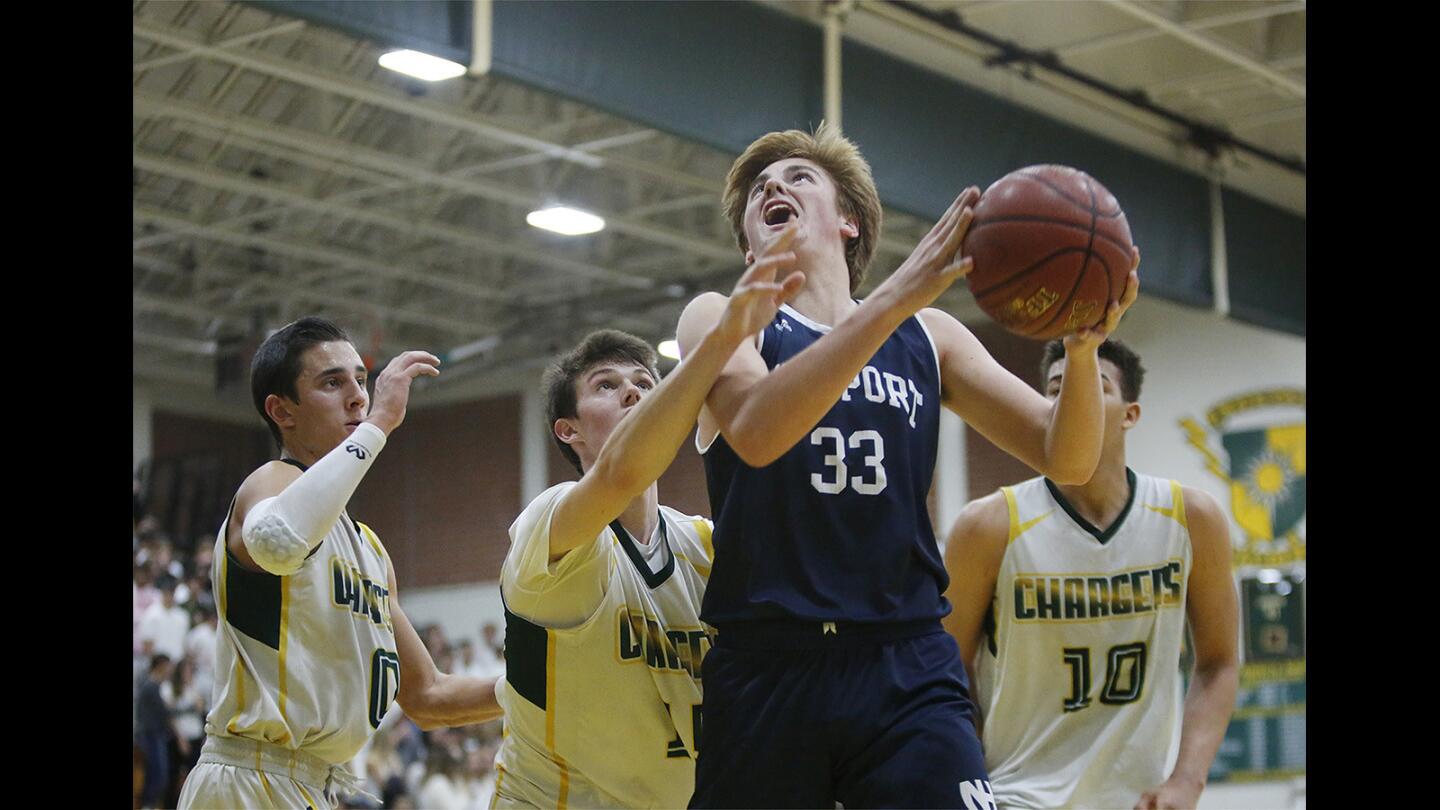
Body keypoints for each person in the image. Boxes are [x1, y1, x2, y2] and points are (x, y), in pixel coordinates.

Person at [674, 123, 1140, 808]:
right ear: (750, 243)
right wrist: (897, 296)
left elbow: (1065, 457)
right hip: (768, 665)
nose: (773, 186)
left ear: (849, 223)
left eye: (799, 177)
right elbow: (755, 431)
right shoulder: (721, 318)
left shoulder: (929, 336)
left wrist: (1077, 345)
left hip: (906, 660)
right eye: (758, 192)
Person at [492, 238, 804, 808]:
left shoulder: (705, 544)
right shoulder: (551, 521)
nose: (634, 389)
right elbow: (618, 476)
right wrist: (720, 341)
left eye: (644, 381)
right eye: (606, 385)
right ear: (569, 431)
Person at [177, 316, 502, 810]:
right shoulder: (270, 482)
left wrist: (542, 687)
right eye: (332, 382)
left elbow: (428, 696)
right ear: (281, 411)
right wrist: (378, 426)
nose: (357, 396)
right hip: (249, 774)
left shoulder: (370, 549)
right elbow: (278, 540)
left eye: (360, 380)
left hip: (316, 783)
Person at [942, 339, 1239, 809]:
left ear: (1131, 414)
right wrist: (971, 778)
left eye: (1096, 386)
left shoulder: (1191, 519)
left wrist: (1186, 781)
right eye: (1057, 388)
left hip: (1139, 801)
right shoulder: (989, 526)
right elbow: (946, 667)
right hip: (1018, 796)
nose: (1073, 398)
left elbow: (1220, 663)